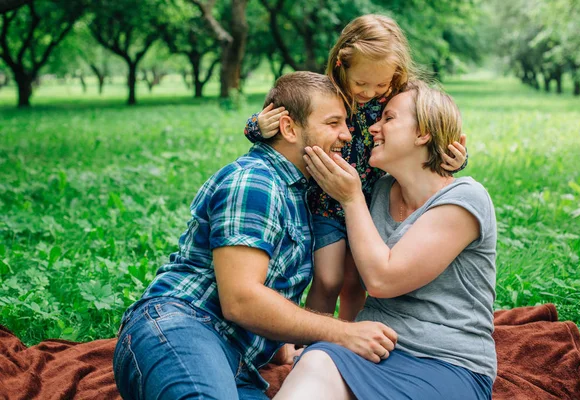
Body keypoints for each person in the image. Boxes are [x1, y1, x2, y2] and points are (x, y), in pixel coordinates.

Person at [112, 71, 398, 400]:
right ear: (289, 128)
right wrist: (344, 333)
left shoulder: (301, 194)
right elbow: (241, 300)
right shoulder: (254, 181)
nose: (347, 136)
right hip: (182, 326)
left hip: (237, 361)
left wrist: (274, 343)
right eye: (333, 123)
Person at [275, 81, 497, 400]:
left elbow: (382, 279)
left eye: (389, 118)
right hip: (369, 349)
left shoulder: (465, 198)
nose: (374, 128)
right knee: (315, 363)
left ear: (423, 133)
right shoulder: (380, 191)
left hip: (446, 363)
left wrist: (351, 199)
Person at [245, 14, 468, 320]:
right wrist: (256, 125)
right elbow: (284, 119)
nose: (369, 92)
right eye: (361, 82)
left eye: (381, 83)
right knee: (328, 278)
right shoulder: (325, 94)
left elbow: (433, 127)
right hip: (327, 201)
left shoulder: (401, 97)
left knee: (355, 281)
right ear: (341, 64)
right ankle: (308, 341)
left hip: (373, 203)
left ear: (396, 74)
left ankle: (352, 335)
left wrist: (454, 157)